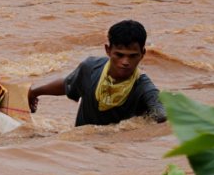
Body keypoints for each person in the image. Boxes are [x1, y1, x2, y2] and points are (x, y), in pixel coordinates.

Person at [28, 20, 166, 126]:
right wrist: (34, 92)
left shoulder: (144, 88)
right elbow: (67, 84)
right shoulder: (90, 68)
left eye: (132, 56)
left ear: (142, 54)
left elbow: (161, 115)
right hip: (81, 148)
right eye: (119, 55)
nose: (125, 62)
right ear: (108, 50)